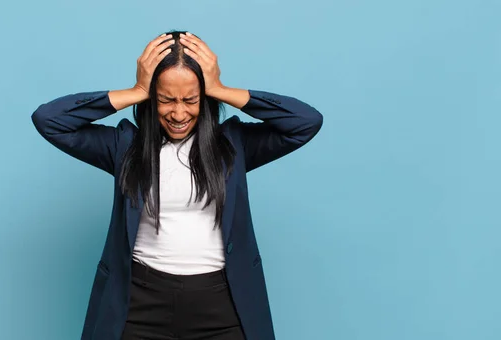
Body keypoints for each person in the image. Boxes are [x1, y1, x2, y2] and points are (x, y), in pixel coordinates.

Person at [31, 30, 323, 340]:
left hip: (220, 305)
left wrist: (222, 89)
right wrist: (137, 89)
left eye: (191, 100)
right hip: (140, 304)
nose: (179, 113)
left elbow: (305, 122)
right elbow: (49, 120)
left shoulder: (233, 146)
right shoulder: (125, 147)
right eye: (166, 99)